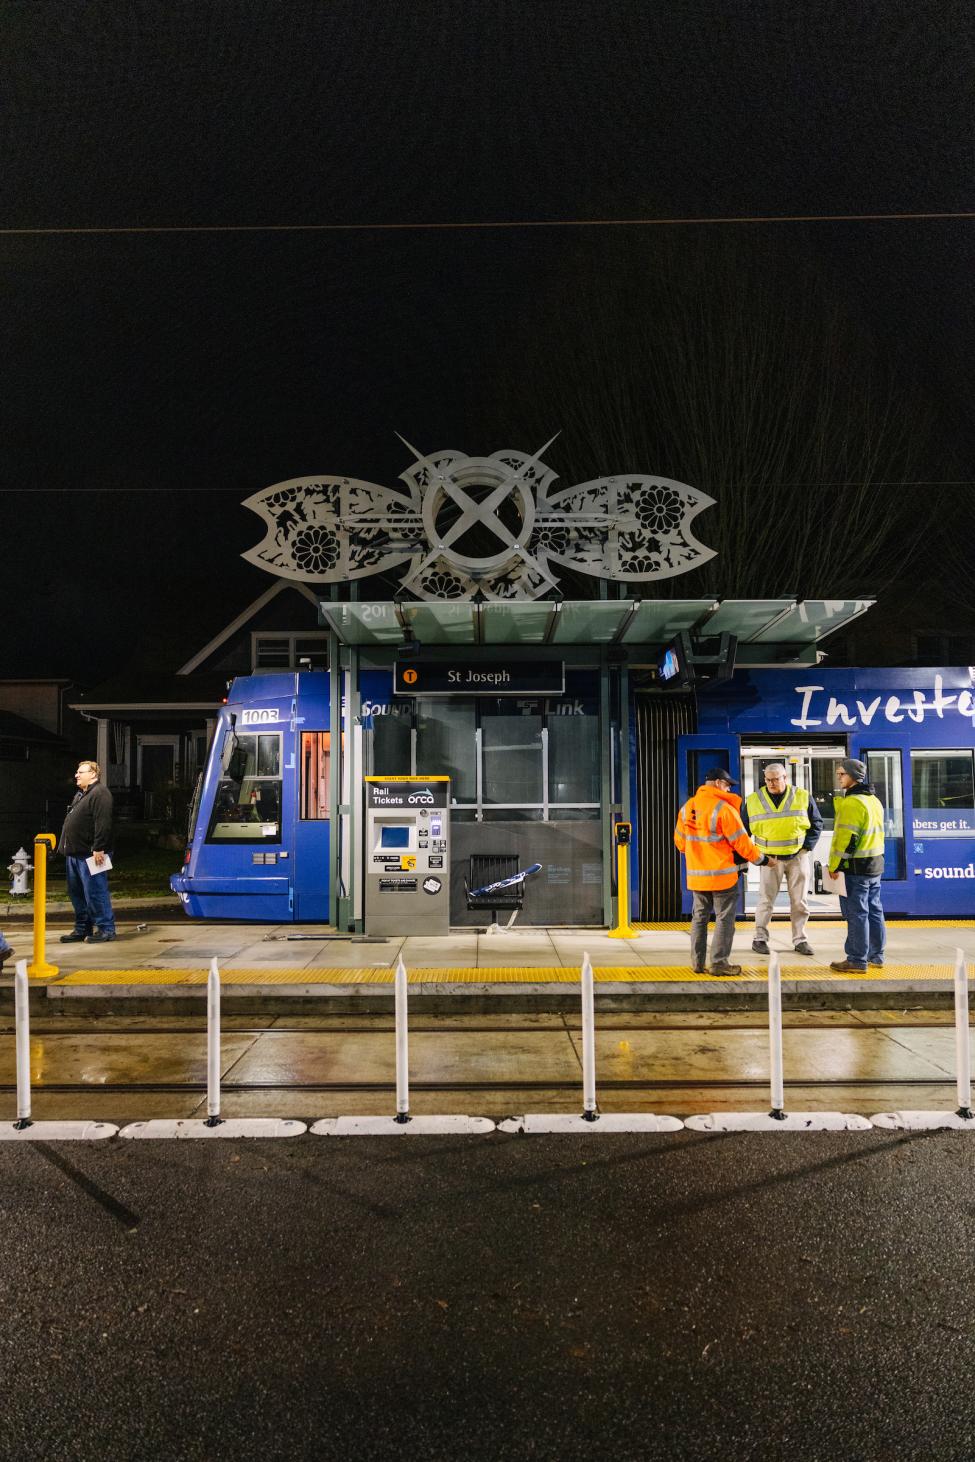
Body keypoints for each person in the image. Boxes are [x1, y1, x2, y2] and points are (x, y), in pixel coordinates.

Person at [674, 767, 768, 976]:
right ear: (717, 783)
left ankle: (697, 963)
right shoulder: (723, 809)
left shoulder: (687, 808)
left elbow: (680, 843)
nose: (728, 789)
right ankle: (718, 963)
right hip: (722, 877)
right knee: (724, 919)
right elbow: (742, 843)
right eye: (727, 785)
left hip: (697, 877)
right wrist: (763, 860)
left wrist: (700, 854)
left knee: (699, 918)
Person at [742, 762, 823, 958]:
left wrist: (806, 848)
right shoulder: (753, 800)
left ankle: (800, 940)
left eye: (776, 779)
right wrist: (756, 857)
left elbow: (816, 824)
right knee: (765, 901)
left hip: (798, 857)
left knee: (799, 902)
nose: (771, 783)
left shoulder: (802, 796)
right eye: (768, 780)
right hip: (769, 860)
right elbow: (743, 832)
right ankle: (759, 938)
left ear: (785, 778)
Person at [827, 757, 886, 973]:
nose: (839, 777)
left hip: (856, 867)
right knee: (874, 911)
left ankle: (856, 960)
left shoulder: (852, 803)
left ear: (853, 776)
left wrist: (834, 865)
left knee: (857, 913)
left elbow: (846, 840)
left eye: (842, 773)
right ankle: (876, 956)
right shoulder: (874, 800)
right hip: (875, 864)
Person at [58, 760, 117, 944]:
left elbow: (103, 823)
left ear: (93, 774)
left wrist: (99, 848)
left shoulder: (100, 794)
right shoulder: (81, 795)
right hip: (75, 854)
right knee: (78, 893)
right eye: (77, 772)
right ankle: (83, 928)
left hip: (91, 854)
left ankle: (106, 929)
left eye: (80, 772)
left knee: (96, 892)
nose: (76, 775)